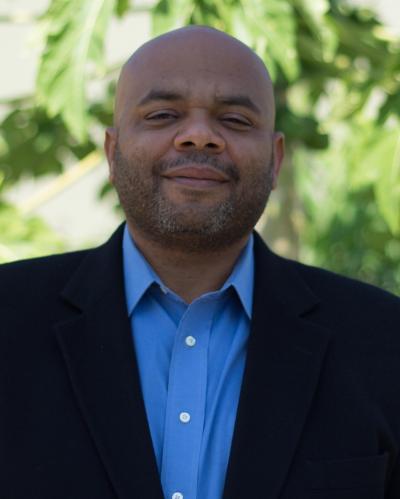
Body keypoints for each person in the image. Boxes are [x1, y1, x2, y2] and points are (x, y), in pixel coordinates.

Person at [1, 25, 400, 499]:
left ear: (275, 161)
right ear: (112, 153)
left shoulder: (384, 339)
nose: (198, 136)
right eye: (163, 115)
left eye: (234, 119)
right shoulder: (8, 318)